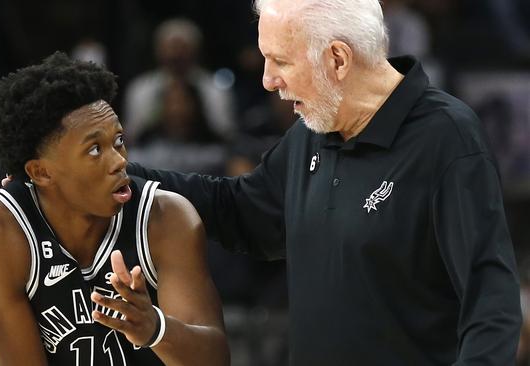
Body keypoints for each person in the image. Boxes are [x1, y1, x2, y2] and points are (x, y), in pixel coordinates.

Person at [127, 0, 522, 364]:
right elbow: (241, 210)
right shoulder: (312, 131)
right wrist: (125, 177)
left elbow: (491, 304)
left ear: (337, 58)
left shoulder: (446, 138)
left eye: (279, 60)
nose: (267, 80)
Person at [0, 52, 229, 365]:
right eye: (95, 149)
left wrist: (155, 329)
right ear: (41, 172)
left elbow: (216, 360)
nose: (120, 161)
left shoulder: (166, 216)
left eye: (118, 141)